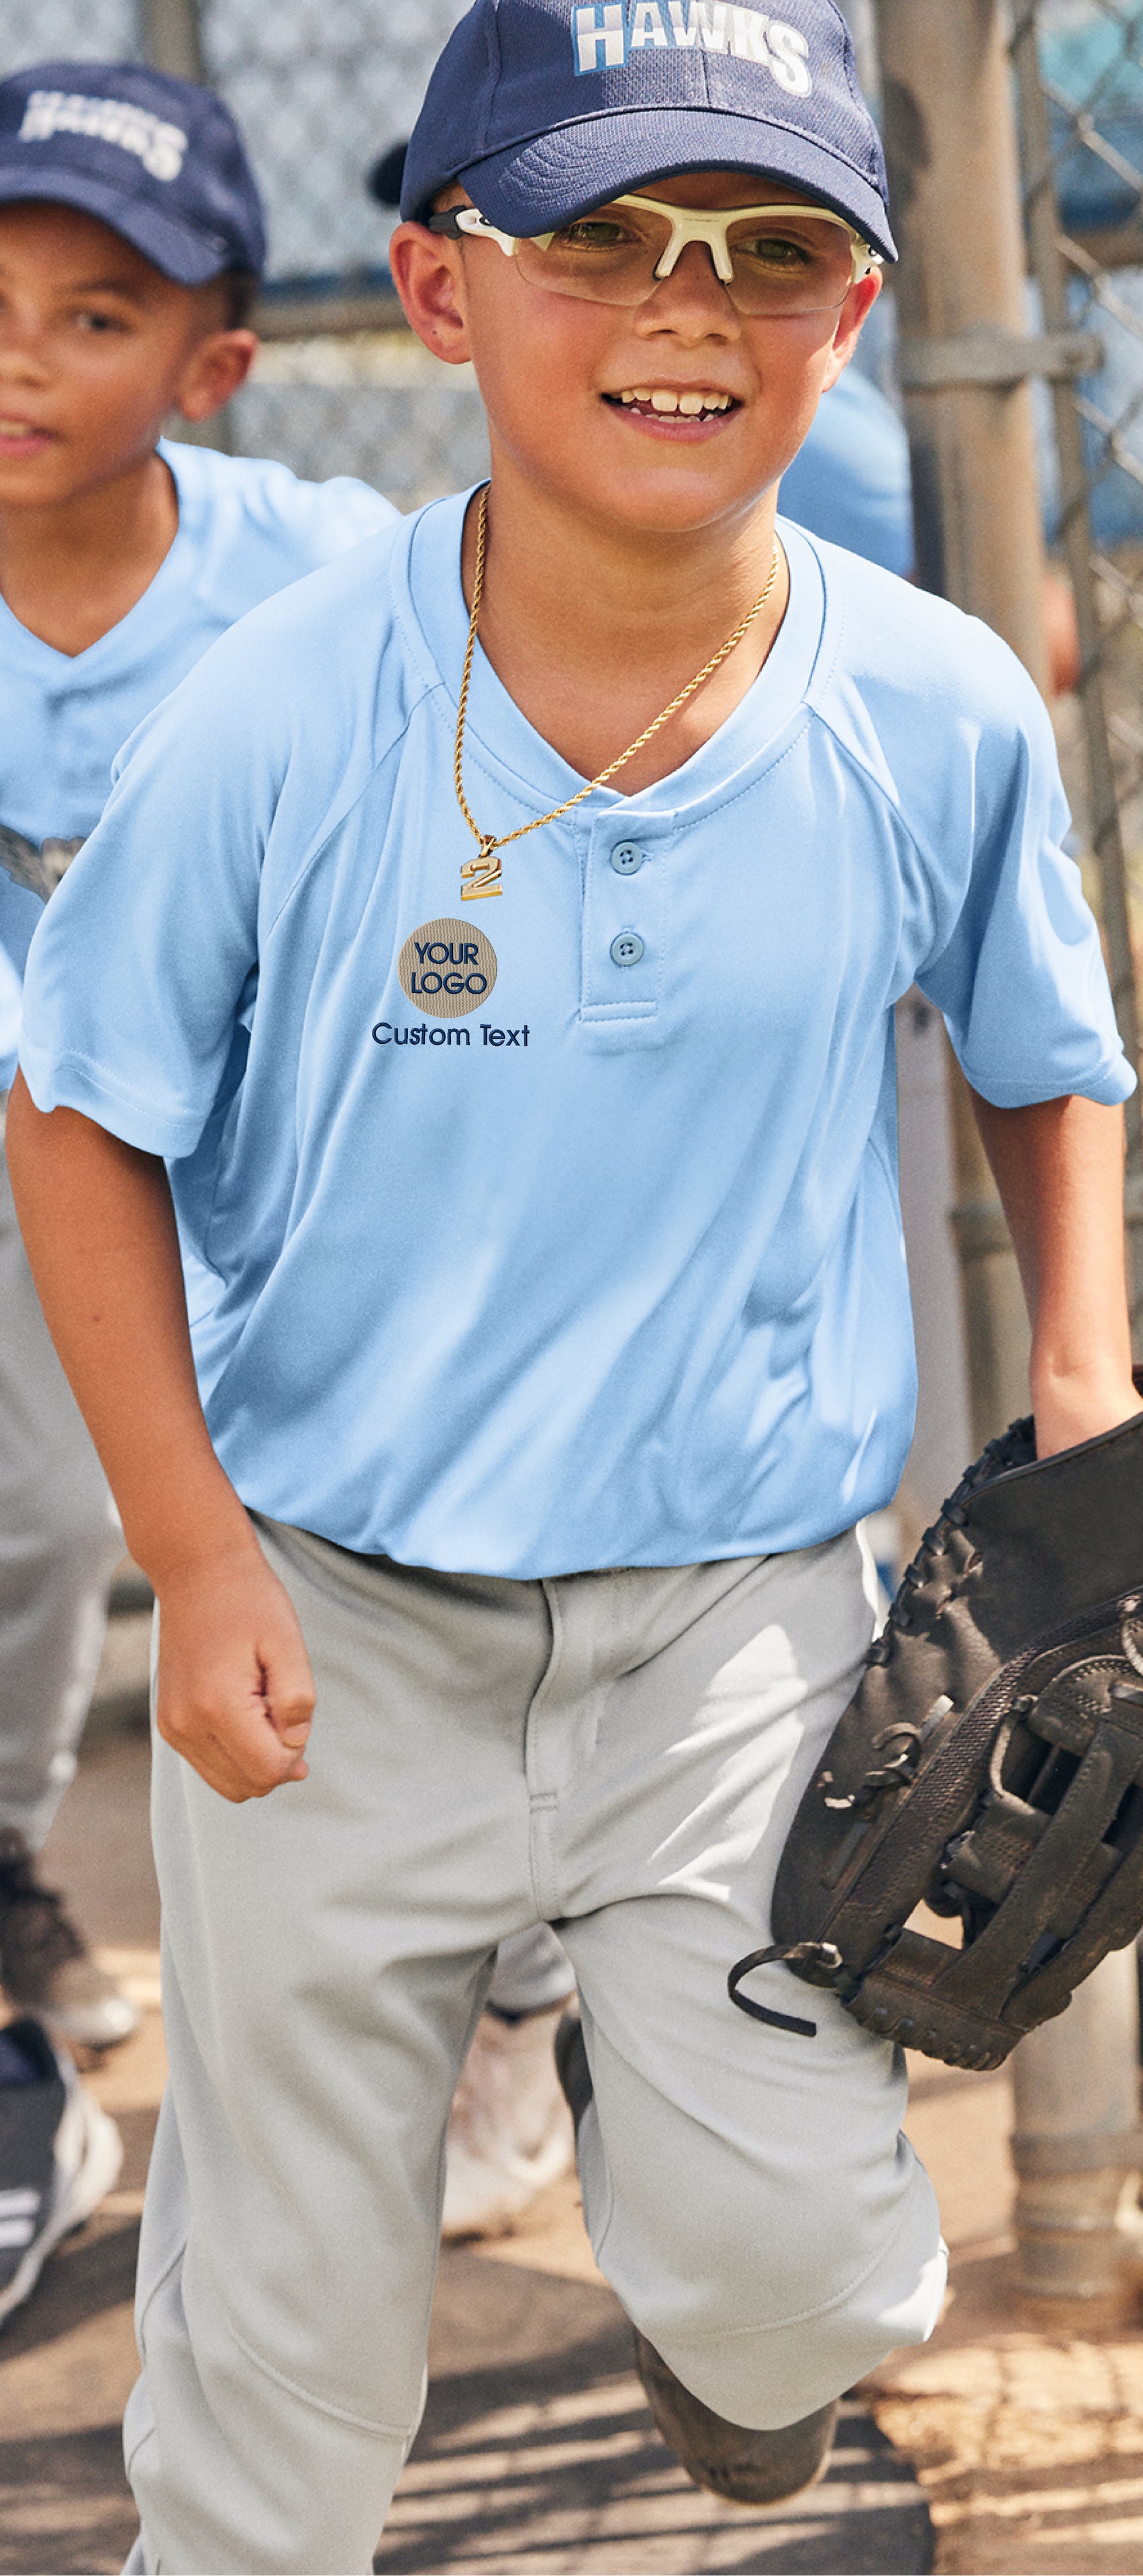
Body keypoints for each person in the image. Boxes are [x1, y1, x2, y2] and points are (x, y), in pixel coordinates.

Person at [11, 1, 1142, 2560]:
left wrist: (1072, 1360)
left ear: (853, 315)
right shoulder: (284, 709)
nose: (683, 307)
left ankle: (716, 2306)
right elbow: (76, 1117)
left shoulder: (929, 703)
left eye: (767, 251)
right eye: (601, 239)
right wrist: (190, 1551)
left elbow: (1045, 1048)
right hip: (331, 1602)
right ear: (436, 291)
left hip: (730, 1625)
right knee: (281, 2354)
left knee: (806, 2288)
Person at [0, 60, 399, 2085]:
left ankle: (488, 1963)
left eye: (93, 316)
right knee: (52, 1513)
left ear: (215, 363)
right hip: (32, 1152)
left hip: (280, 1142)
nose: (19, 360)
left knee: (344, 1523)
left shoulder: (323, 572)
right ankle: (8, 1881)